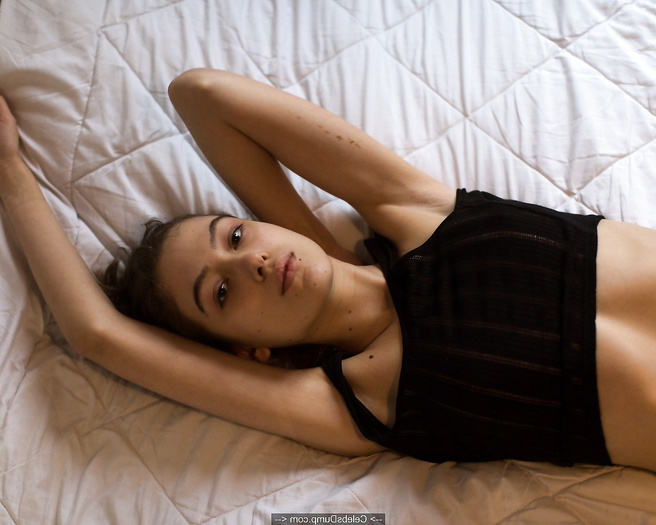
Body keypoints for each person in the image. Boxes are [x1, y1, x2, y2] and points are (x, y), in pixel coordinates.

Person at [1, 69, 656, 470]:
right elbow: (97, 335)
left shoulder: (417, 211)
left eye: (235, 235)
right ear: (248, 351)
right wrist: (8, 168)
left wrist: (318, 247)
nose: (252, 261)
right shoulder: (366, 402)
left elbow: (199, 93)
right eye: (221, 291)